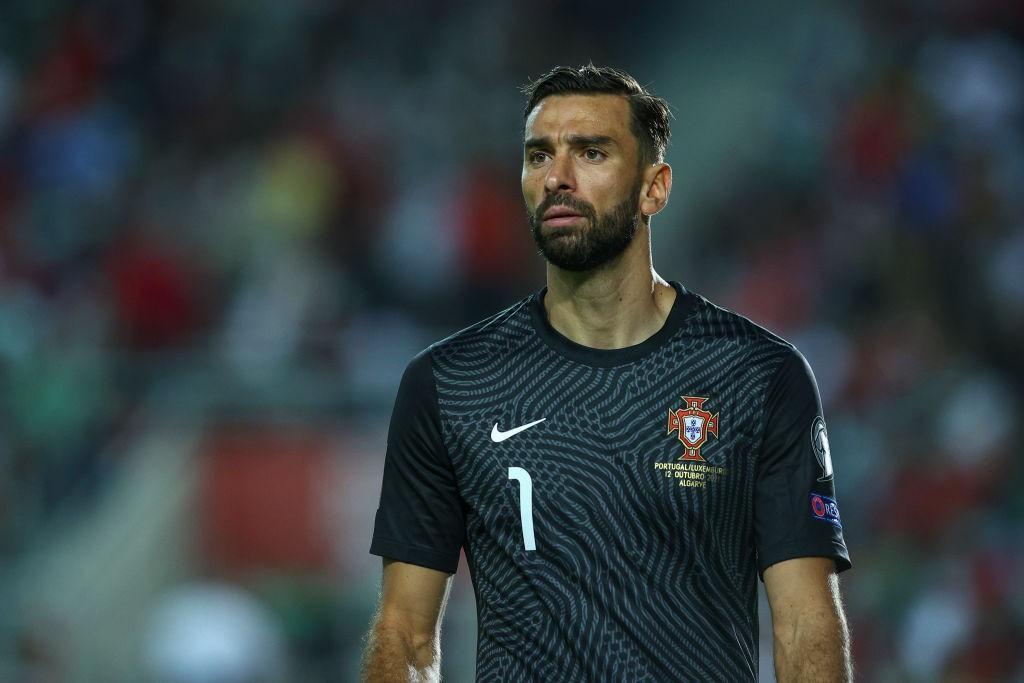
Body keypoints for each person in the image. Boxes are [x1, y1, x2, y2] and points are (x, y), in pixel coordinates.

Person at [363, 64, 852, 682]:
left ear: (655, 188)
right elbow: (405, 636)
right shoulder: (450, 381)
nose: (557, 178)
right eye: (539, 155)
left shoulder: (757, 374)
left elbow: (804, 623)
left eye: (591, 152)